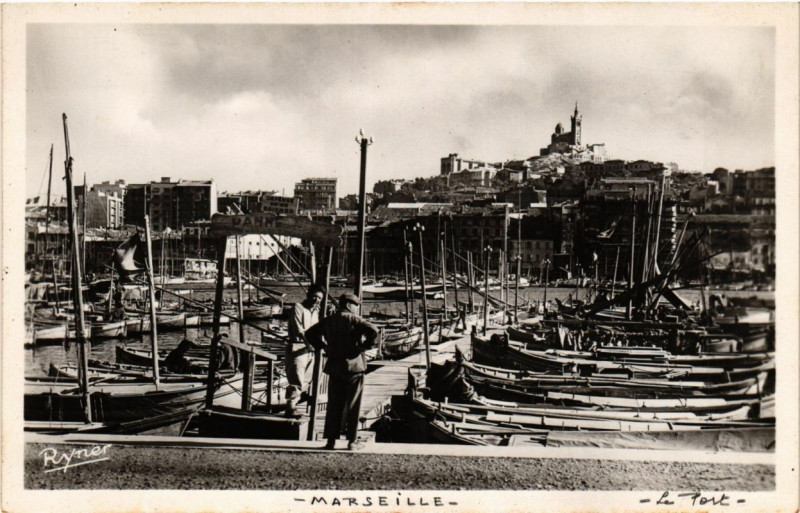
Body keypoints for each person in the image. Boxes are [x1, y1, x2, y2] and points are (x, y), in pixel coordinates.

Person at [305, 293, 379, 451]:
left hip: (334, 366)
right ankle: (352, 441)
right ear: (350, 305)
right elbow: (374, 331)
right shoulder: (355, 320)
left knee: (334, 405)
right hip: (354, 367)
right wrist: (364, 347)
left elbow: (309, 333)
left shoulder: (329, 320)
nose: (357, 309)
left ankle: (331, 441)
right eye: (356, 306)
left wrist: (323, 346)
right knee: (353, 405)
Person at [285, 285, 325, 416]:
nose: (316, 300)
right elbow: (299, 330)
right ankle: (290, 407)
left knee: (307, 379)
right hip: (297, 347)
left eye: (319, 298)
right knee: (296, 377)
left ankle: (298, 402)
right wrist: (309, 344)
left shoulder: (317, 312)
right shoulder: (298, 307)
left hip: (310, 350)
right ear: (308, 295)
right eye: (314, 296)